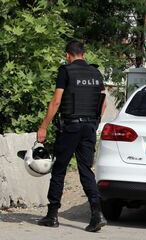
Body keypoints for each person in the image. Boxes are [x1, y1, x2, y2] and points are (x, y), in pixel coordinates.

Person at [36, 40, 107, 232]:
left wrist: (43, 127)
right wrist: (94, 123)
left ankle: (52, 215)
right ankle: (97, 213)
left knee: (59, 169)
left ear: (68, 55)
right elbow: (104, 102)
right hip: (90, 127)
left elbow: (56, 101)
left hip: (70, 127)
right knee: (86, 170)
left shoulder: (65, 71)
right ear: (83, 54)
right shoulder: (96, 72)